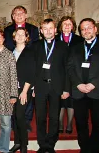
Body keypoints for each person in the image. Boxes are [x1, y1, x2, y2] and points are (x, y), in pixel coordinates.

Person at [67, 18, 99, 153]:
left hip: (98, 91)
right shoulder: (75, 48)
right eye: (83, 29)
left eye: (89, 27)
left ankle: (95, 148)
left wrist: (94, 84)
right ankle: (85, 148)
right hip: (79, 91)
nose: (86, 30)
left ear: (95, 29)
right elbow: (69, 68)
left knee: (98, 123)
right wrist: (78, 84)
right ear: (80, 33)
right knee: (81, 123)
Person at [32, 19, 70, 153]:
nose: (48, 31)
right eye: (45, 28)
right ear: (41, 31)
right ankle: (42, 144)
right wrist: (33, 87)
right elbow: (33, 68)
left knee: (54, 117)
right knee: (40, 117)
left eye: (50, 28)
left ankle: (51, 144)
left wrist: (66, 88)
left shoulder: (63, 46)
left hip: (56, 86)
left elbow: (67, 68)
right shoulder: (35, 46)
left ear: (55, 30)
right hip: (40, 86)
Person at [3, 5, 38, 131]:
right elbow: (6, 46)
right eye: (16, 13)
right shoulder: (7, 30)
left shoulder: (33, 29)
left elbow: (35, 47)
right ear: (12, 16)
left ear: (26, 15)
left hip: (27, 63)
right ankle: (14, 122)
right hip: (12, 62)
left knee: (26, 96)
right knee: (12, 95)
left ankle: (27, 121)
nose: (18, 15)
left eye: (21, 13)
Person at [55, 16, 83, 134]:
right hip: (59, 73)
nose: (67, 26)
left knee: (71, 100)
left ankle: (70, 123)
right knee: (60, 100)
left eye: (69, 24)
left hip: (73, 73)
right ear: (60, 26)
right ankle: (60, 123)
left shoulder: (79, 40)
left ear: (73, 27)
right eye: (64, 24)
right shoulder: (55, 39)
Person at [10, 28, 35, 153]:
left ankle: (24, 145)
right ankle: (17, 143)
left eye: (22, 35)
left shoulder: (30, 52)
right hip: (12, 89)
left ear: (26, 37)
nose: (20, 37)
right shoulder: (11, 52)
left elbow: (31, 73)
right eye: (17, 35)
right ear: (14, 37)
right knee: (14, 116)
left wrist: (25, 91)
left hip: (24, 89)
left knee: (20, 116)